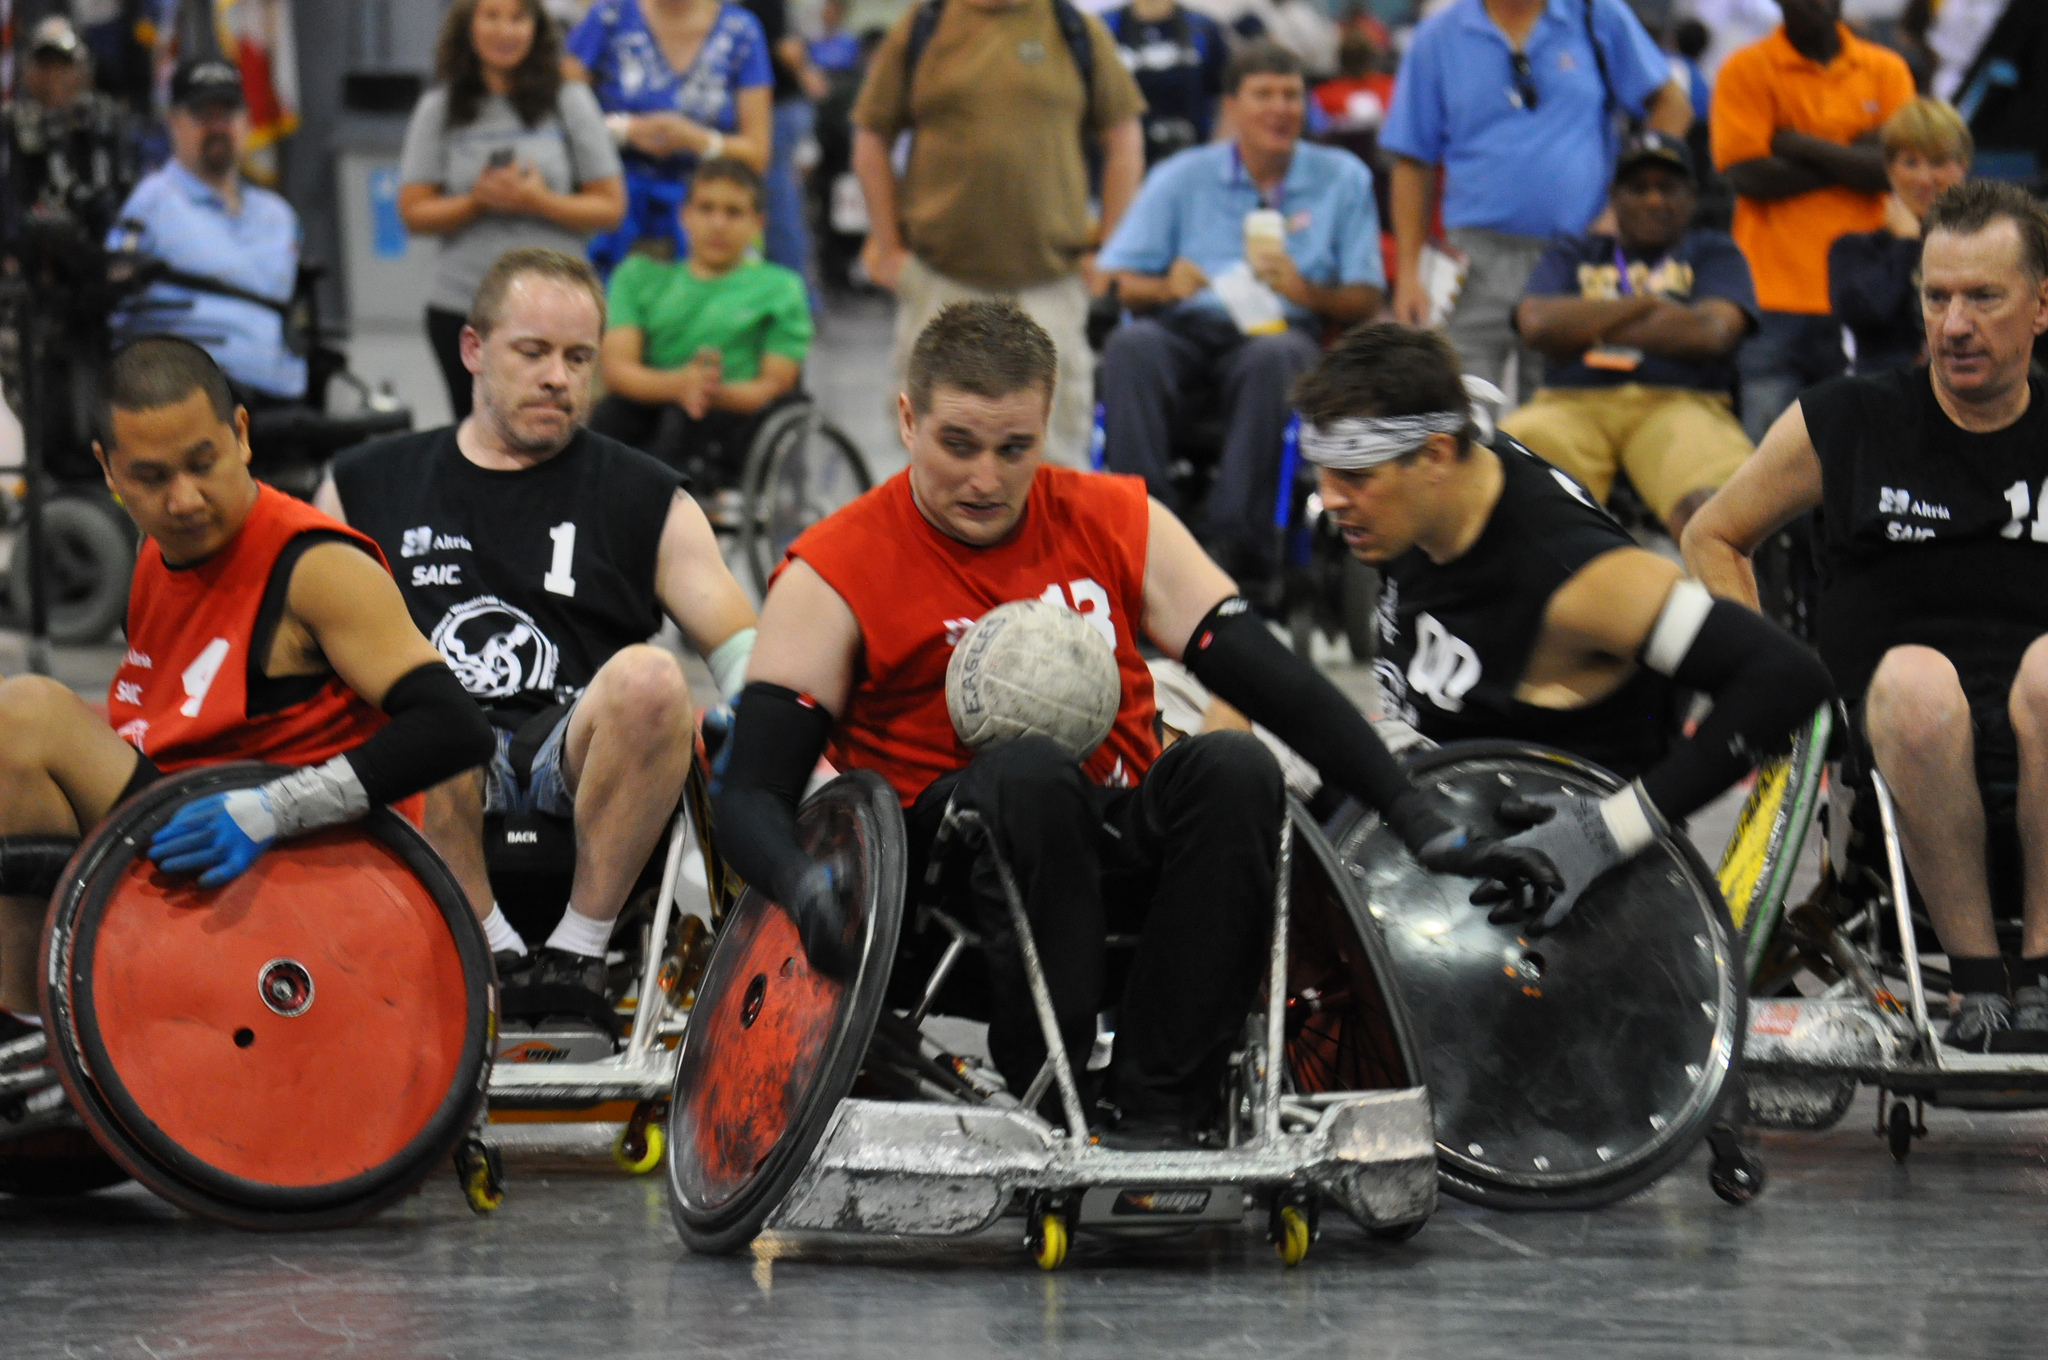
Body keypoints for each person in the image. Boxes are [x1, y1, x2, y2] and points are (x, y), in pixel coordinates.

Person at [715, 300, 1559, 1146]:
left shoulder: (1115, 517)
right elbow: (749, 789)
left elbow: (1276, 680)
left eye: (1016, 449)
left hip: (1110, 839)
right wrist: (802, 886)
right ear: (907, 419)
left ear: (1047, 424)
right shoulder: (833, 569)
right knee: (1030, 771)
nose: (985, 480)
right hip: (949, 877)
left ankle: (1162, 1105)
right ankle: (1054, 1072)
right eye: (957, 445)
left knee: (1235, 765)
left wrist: (1411, 813)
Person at [0, 337, 494, 1042]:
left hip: (291, 871)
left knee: (24, 713)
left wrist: (275, 809)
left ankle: (30, 1032)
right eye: (152, 477)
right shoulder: (153, 554)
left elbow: (456, 729)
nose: (185, 499)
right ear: (108, 471)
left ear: (239, 434)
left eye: (203, 464)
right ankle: (32, 1018)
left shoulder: (318, 566)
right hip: (178, 836)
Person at [319, 248, 758, 1033]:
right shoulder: (363, 484)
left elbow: (741, 652)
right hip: (437, 761)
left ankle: (576, 955)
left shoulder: (646, 494)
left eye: (579, 357)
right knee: (419, 695)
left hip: (581, 752)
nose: (559, 376)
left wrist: (804, 769)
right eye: (533, 352)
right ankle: (488, 947)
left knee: (656, 679)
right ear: (473, 351)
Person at [1302, 321, 1830, 930]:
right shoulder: (1423, 499)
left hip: (1551, 890)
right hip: (1447, 817)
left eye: (1355, 477)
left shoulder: (1577, 578)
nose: (1332, 500)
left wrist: (1610, 831)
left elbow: (1785, 677)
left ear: (1436, 456)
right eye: (1324, 473)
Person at [1681, 181, 2048, 1051]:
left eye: (1983, 298)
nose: (1954, 324)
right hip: (1892, 728)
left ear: (2041, 306)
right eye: (1936, 297)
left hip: (2039, 708)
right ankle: (1977, 983)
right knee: (1921, 683)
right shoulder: (1847, 419)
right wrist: (1769, 673)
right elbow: (1713, 535)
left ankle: (2042, 973)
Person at [1096, 41, 1382, 592]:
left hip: (1283, 330)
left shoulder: (1341, 178)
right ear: (1232, 106)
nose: (1281, 108)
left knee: (1275, 357)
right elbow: (1113, 280)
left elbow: (1366, 298)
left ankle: (1239, 546)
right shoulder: (1183, 177)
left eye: (1292, 96)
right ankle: (1144, 533)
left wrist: (1305, 290)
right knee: (1130, 349)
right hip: (1186, 327)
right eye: (1264, 95)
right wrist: (1163, 284)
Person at [850, 0, 1147, 468]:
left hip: (1050, 283)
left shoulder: (1073, 30)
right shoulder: (923, 27)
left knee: (1054, 455)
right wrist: (889, 249)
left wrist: (1109, 248)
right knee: (936, 455)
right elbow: (870, 138)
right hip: (939, 279)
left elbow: (1124, 138)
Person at [1381, 0, 1689, 397]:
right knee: (1460, 410)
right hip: (1470, 259)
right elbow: (1412, 160)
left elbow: (1672, 106)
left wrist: (1622, 211)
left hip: (1575, 253)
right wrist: (1408, 273)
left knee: (1562, 412)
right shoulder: (1437, 38)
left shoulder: (1597, 15)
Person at [1503, 130, 1756, 540]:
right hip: (1570, 405)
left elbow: (1712, 331)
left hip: (1680, 403)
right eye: (1638, 189)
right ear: (1613, 196)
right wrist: (1645, 305)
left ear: (1691, 194)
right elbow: (1537, 324)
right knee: (1511, 482)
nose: (1654, 200)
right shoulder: (1575, 251)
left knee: (1716, 510)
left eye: (1667, 188)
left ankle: (1720, 604)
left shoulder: (1714, 251)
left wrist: (1585, 320)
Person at [399, 0, 627, 423]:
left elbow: (610, 207)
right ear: (469, 26)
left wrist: (538, 201)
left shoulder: (569, 99)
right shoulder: (440, 107)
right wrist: (475, 201)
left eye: (518, 17)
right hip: (463, 304)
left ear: (536, 28)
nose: (505, 30)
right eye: (492, 16)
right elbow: (413, 211)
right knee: (475, 437)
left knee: (560, 433)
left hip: (561, 310)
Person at [1711, 0, 1913, 444]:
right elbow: (1749, 177)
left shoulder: (1886, 68)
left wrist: (1796, 143)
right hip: (1771, 295)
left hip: (1866, 297)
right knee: (1769, 463)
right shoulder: (1744, 69)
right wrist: (1852, 152)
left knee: (1865, 452)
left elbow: (1893, 169)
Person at [589, 157, 814, 479]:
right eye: (706, 209)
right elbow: (617, 371)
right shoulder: (637, 277)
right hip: (649, 411)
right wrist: (681, 385)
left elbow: (774, 386)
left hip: (735, 423)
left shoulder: (781, 288)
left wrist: (706, 391)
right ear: (684, 216)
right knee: (609, 418)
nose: (718, 223)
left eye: (733, 212)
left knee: (681, 424)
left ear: (757, 224)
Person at [107, 58, 306, 402]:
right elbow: (113, 307)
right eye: (203, 115)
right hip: (190, 401)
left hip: (284, 395)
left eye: (226, 114)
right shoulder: (151, 204)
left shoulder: (279, 217)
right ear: (173, 123)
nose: (217, 127)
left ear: (246, 121)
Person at [565, 0, 774, 275]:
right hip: (613, 208)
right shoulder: (608, 17)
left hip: (704, 215)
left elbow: (758, 153)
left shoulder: (741, 30)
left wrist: (699, 140)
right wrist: (624, 130)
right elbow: (560, 115)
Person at [1827, 97, 1971, 376]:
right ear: (1890, 171)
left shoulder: (1988, 245)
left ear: (1963, 166)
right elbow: (1870, 315)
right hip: (1886, 397)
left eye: (1939, 162)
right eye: (1910, 162)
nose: (1925, 178)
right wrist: (1907, 243)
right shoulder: (1854, 249)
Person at [738, 0, 828, 304]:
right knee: (779, 201)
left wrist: (806, 75)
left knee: (778, 205)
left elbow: (787, 48)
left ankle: (796, 295)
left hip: (775, 109)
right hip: (777, 107)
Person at [1101, 0, 1228, 167]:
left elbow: (1229, 96)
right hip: (1127, 160)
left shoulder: (1202, 27)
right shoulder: (1105, 26)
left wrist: (1215, 156)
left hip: (1193, 157)